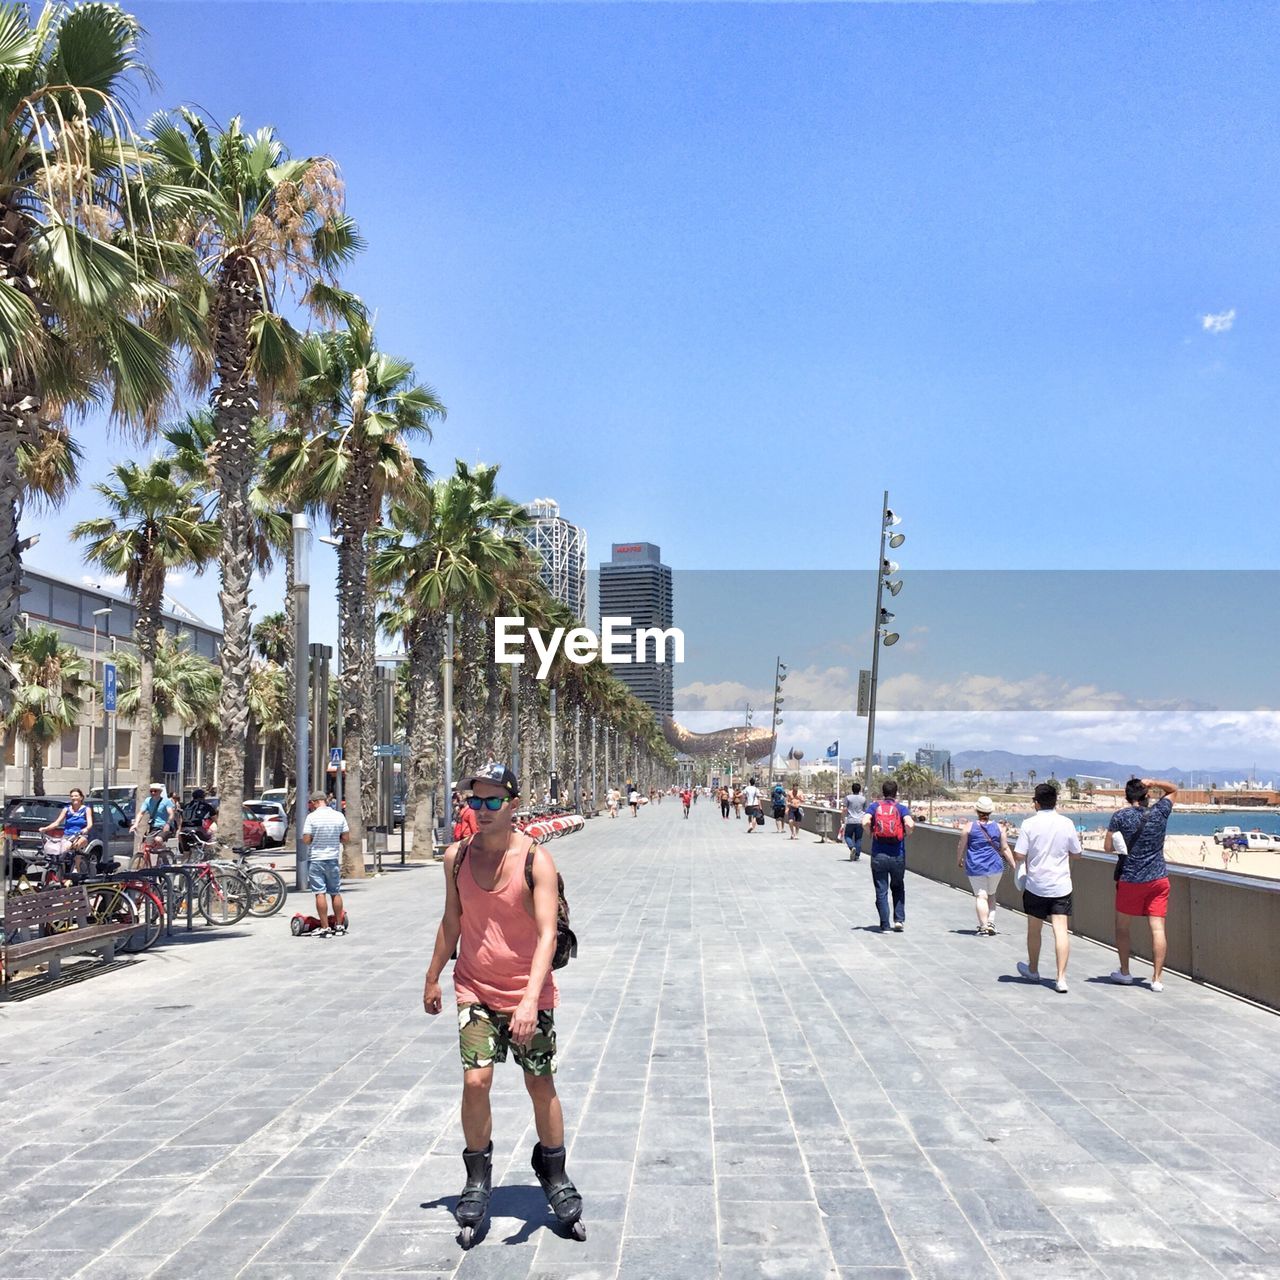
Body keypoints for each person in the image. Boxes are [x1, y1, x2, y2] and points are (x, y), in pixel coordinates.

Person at [422, 763, 583, 1244]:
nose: (482, 810)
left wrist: (531, 999)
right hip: (473, 985)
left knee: (540, 1082)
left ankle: (553, 1173)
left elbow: (546, 933)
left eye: (493, 801)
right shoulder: (456, 858)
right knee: (476, 1080)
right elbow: (451, 923)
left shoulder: (537, 861)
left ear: (513, 804)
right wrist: (432, 976)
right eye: (475, 801)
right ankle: (476, 1178)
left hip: (527, 991)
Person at [1106, 777, 1178, 991]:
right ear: (1147, 795)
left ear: (1127, 797)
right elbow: (1174, 789)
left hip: (1130, 879)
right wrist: (1154, 782)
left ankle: (1125, 972)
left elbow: (1108, 847)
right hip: (1158, 878)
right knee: (1157, 929)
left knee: (1122, 927)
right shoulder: (1160, 812)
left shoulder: (1119, 817)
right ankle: (1156, 979)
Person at [1014, 783, 1082, 993]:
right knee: (1061, 930)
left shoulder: (1029, 824)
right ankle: (1061, 978)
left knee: (1034, 930)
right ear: (1055, 802)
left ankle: (1033, 969)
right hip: (1061, 885)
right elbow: (1077, 853)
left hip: (1036, 885)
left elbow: (1019, 855)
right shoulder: (1067, 823)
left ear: (1036, 802)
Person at [956, 796, 1014, 935]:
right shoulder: (1000, 828)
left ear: (977, 810)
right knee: (992, 894)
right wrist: (1013, 864)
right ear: (990, 812)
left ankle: (983, 926)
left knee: (981, 896)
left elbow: (961, 845)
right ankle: (991, 923)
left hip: (976, 866)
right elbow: (1005, 848)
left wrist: (959, 860)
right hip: (995, 867)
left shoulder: (969, 827)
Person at [866, 780, 913, 930]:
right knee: (898, 887)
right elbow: (910, 824)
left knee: (881, 890)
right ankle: (899, 920)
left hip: (878, 854)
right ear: (895, 793)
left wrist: (871, 834)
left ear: (883, 792)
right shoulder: (901, 808)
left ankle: (885, 925)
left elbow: (864, 821)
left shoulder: (875, 807)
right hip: (897, 855)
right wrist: (907, 834)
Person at [302, 789, 349, 936]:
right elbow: (346, 837)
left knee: (320, 893)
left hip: (316, 859)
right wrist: (336, 840)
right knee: (335, 892)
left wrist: (314, 840)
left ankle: (325, 927)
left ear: (315, 802)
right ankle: (339, 925)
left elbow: (306, 839)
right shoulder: (338, 815)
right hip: (333, 858)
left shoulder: (311, 817)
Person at [39, 787, 94, 875]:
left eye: (76, 796)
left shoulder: (86, 809)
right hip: (68, 836)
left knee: (77, 844)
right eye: (72, 796)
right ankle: (61, 872)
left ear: (81, 797)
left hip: (81, 835)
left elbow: (90, 824)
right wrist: (45, 829)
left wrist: (85, 829)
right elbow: (56, 823)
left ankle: (77, 867)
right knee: (61, 851)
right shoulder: (67, 809)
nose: (74, 798)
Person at [131, 782, 176, 851]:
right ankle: (147, 860)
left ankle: (165, 850)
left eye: (155, 791)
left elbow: (171, 814)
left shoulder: (166, 801)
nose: (153, 793)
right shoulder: (147, 801)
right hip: (154, 828)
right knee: (145, 846)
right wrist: (136, 824)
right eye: (151, 791)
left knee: (158, 839)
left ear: (160, 792)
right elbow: (141, 813)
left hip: (164, 827)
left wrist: (168, 824)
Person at [841, 784, 865, 861]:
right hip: (860, 821)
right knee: (858, 838)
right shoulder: (863, 799)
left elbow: (844, 809)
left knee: (847, 836)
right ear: (859, 789)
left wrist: (842, 818)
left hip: (850, 820)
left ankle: (852, 847)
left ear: (852, 789)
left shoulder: (848, 798)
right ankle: (857, 855)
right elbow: (865, 810)